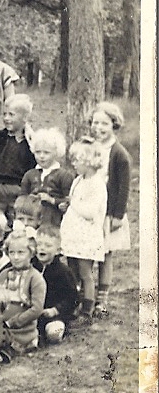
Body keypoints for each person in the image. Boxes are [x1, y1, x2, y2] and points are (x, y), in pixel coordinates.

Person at [90, 101, 133, 317]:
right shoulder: (90, 146)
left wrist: (118, 215)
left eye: (104, 124)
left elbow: (124, 186)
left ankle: (102, 299)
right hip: (90, 209)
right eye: (95, 122)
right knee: (88, 252)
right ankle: (86, 294)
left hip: (108, 211)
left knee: (106, 255)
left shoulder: (119, 153)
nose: (98, 127)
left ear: (114, 125)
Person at [61, 138, 107, 318]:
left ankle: (87, 309)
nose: (74, 163)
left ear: (88, 162)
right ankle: (73, 303)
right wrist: (67, 206)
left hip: (87, 236)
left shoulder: (97, 184)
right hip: (73, 235)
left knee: (85, 272)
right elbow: (74, 202)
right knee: (72, 272)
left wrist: (73, 204)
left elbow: (89, 212)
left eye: (77, 160)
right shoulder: (78, 180)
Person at [0, 229, 46, 353]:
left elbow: (37, 309)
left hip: (23, 330)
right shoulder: (5, 274)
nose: (15, 257)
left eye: (21, 253)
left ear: (31, 253)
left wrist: (13, 322)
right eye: (12, 252)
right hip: (0, 324)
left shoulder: (35, 278)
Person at [21, 127, 74, 226]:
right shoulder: (30, 174)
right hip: (32, 222)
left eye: (46, 152)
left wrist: (53, 200)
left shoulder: (64, 175)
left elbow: (69, 200)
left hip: (54, 221)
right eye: (38, 152)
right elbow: (22, 198)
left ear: (56, 152)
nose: (41, 156)